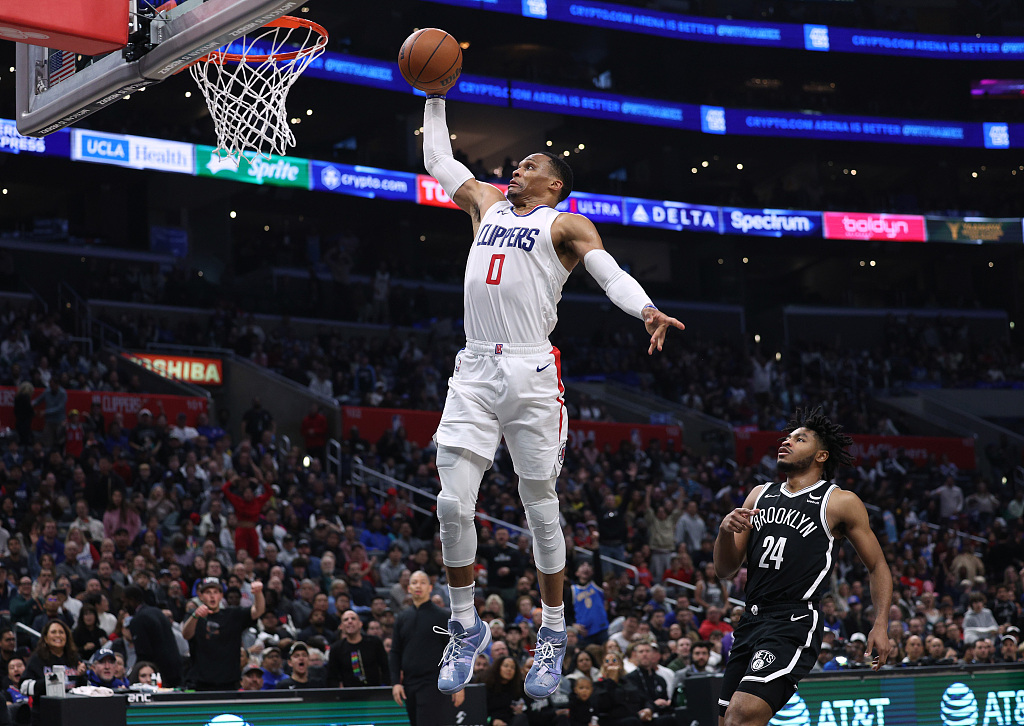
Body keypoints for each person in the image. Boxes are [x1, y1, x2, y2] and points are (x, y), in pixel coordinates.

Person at [421, 92, 684, 701]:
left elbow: (608, 270)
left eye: (532, 164)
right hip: (473, 366)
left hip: (532, 372)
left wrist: (643, 307)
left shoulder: (565, 224)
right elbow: (437, 158)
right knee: (451, 506)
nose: (517, 168)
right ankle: (465, 625)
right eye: (518, 163)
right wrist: (434, 96)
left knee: (539, 504)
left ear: (556, 183)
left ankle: (553, 630)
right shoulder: (485, 204)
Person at [714, 407, 892, 726]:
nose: (787, 442)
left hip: (793, 620)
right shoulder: (759, 494)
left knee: (740, 716)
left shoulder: (838, 501)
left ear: (821, 455)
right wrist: (724, 532)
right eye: (786, 438)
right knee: (726, 720)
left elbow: (877, 565)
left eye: (799, 438)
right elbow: (725, 570)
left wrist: (880, 623)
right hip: (750, 619)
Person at [390, 571, 464, 726]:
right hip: (409, 684)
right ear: (408, 588)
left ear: (430, 588)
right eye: (415, 582)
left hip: (434, 683)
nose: (418, 586)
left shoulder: (442, 616)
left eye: (423, 582)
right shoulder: (402, 618)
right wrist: (396, 682)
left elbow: (455, 650)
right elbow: (395, 652)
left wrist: (458, 683)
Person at [182, 576, 265, 691]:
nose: (212, 596)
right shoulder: (193, 615)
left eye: (216, 592)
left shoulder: (233, 614)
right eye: (208, 592)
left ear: (221, 596)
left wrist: (258, 593)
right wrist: (195, 616)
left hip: (229, 681)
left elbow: (257, 611)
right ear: (200, 596)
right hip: (200, 681)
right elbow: (186, 634)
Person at [20, 620, 87, 726]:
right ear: (46, 638)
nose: (58, 635)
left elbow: (84, 689)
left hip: (71, 714)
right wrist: (49, 681)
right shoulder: (37, 659)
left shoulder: (74, 658)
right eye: (53, 632)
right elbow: (23, 687)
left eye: (61, 632)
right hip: (44, 716)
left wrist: (82, 676)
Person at [122, 584, 184, 687]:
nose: (124, 606)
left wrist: (132, 676)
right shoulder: (157, 612)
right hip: (175, 669)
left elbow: (143, 654)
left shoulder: (138, 619)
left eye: (125, 601)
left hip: (159, 674)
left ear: (132, 600)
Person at [327, 609, 389, 687]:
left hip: (375, 692)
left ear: (360, 624)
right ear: (341, 626)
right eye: (346, 620)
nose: (350, 621)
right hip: (350, 695)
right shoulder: (336, 648)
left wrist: (384, 687)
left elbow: (385, 667)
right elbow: (332, 676)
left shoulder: (374, 642)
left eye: (353, 618)